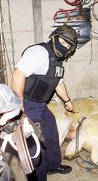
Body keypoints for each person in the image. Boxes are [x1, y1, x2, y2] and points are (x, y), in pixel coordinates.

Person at [11, 24, 78, 180]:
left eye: (68, 46)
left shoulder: (57, 60)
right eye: (63, 42)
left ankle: (53, 165)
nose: (65, 47)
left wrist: (67, 101)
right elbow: (17, 74)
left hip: (40, 105)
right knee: (35, 144)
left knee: (51, 130)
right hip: (27, 104)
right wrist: (19, 106)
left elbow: (58, 83)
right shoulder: (39, 53)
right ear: (54, 38)